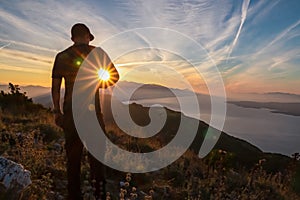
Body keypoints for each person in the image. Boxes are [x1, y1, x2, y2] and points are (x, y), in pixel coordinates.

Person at [51, 23, 119, 200]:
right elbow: (115, 77)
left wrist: (57, 112)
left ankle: (74, 196)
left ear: (72, 38)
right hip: (93, 115)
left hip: (71, 115)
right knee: (97, 160)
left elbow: (56, 88)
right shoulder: (98, 53)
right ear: (88, 36)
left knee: (73, 160)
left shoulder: (62, 56)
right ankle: (99, 195)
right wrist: (97, 84)